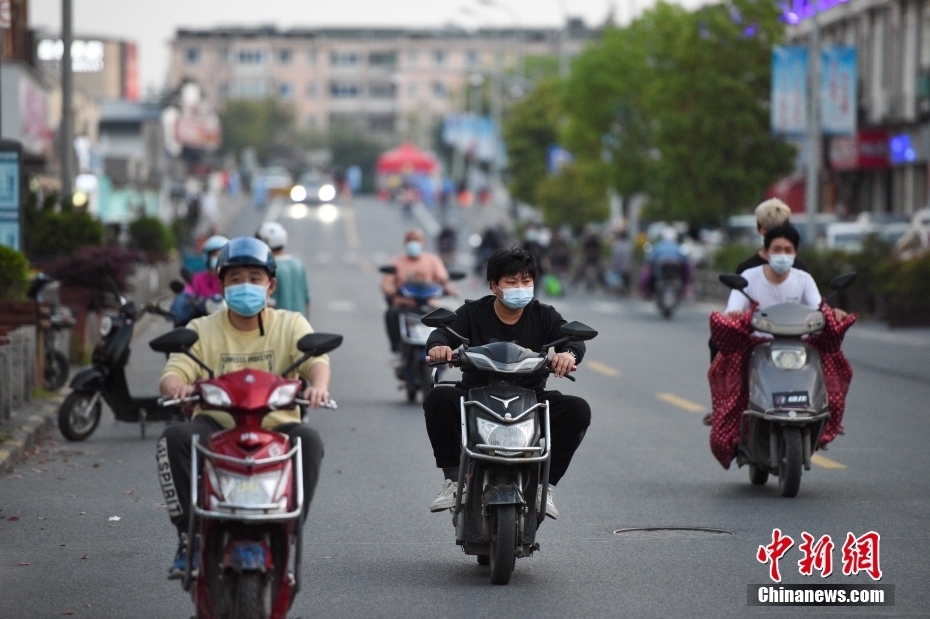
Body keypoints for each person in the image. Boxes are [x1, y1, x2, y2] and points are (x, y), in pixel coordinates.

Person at [156, 237, 332, 580]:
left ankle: (289, 531)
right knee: (174, 437)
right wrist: (176, 386)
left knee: (309, 441)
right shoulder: (201, 328)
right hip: (216, 426)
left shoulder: (291, 323)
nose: (245, 286)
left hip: (276, 427)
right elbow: (174, 370)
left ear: (271, 285)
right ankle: (188, 537)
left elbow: (316, 361)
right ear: (221, 285)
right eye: (235, 279)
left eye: (254, 278)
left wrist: (319, 387)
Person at [423, 248, 591, 519]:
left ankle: (544, 487)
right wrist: (440, 346)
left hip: (530, 396)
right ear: (494, 285)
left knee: (578, 409)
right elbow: (443, 332)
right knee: (437, 399)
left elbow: (572, 339)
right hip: (475, 395)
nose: (520, 288)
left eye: (526, 282)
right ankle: (454, 481)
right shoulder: (473, 312)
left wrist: (567, 354)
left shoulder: (545, 315)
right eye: (511, 282)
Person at [724, 224, 847, 321]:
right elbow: (732, 309)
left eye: (788, 250)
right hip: (755, 345)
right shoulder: (748, 278)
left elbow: (819, 309)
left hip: (796, 344)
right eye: (777, 249)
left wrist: (834, 314)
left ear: (795, 253)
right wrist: (735, 314)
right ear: (766, 253)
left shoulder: (804, 279)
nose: (782, 255)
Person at [381, 229, 457, 363]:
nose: (414, 243)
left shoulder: (432, 261)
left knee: (451, 317)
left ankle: (445, 350)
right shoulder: (397, 262)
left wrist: (450, 289)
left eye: (417, 240)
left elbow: (443, 280)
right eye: (410, 240)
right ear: (405, 243)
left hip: (428, 304)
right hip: (405, 305)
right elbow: (387, 283)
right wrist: (390, 290)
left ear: (423, 243)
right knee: (391, 314)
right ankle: (396, 350)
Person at [256, 221, 312, 318]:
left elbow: (270, 303)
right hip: (299, 325)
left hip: (280, 327)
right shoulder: (297, 264)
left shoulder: (270, 267)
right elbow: (307, 299)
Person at [170, 235, 228, 325]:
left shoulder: (231, 278)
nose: (218, 258)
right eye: (215, 255)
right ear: (207, 257)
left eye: (222, 255)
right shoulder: (198, 279)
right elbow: (186, 296)